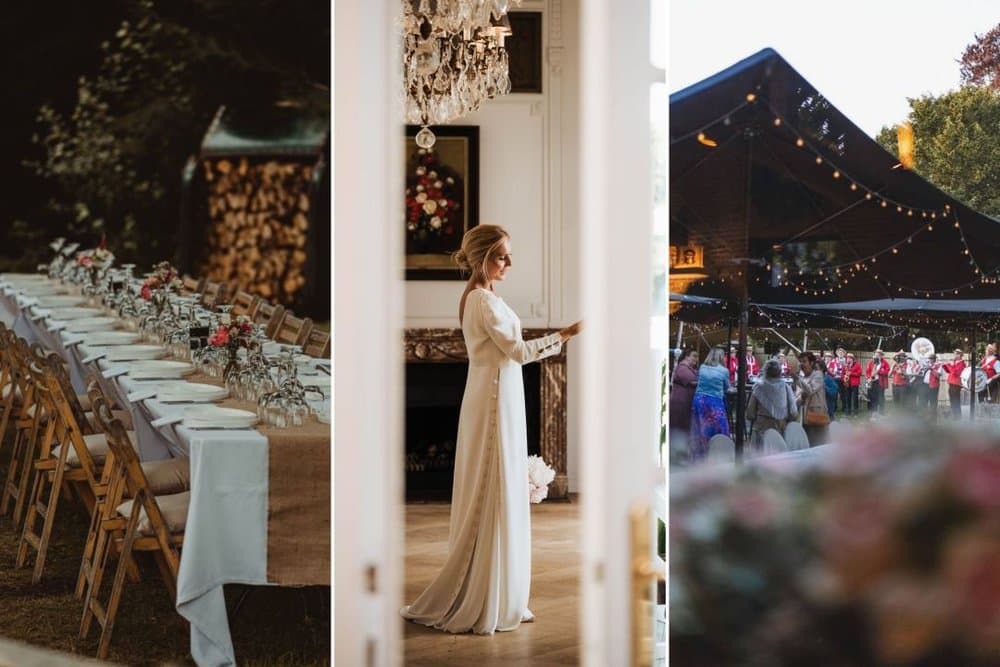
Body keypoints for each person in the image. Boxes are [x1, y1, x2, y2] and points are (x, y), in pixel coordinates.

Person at [401, 224, 582, 634]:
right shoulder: (481, 300)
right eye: (502, 256)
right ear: (482, 257)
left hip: (500, 393)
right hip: (494, 397)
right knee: (492, 485)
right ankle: (485, 595)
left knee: (499, 488)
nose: (509, 263)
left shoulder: (484, 297)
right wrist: (564, 335)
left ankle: (502, 591)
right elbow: (516, 351)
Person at [689, 347, 732, 462]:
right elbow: (727, 387)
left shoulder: (702, 367)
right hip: (714, 402)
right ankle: (719, 454)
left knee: (699, 429)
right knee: (720, 429)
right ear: (721, 357)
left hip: (699, 400)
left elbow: (698, 380)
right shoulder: (724, 371)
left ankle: (699, 457)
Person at [747, 360, 797, 452]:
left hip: (761, 429)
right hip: (780, 430)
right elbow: (793, 413)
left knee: (759, 458)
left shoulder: (758, 387)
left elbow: (750, 413)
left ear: (765, 371)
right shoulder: (786, 387)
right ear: (780, 372)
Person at [794, 352, 828, 445]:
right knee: (808, 445)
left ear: (812, 363)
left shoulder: (818, 375)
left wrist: (796, 379)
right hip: (805, 419)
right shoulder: (803, 378)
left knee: (817, 446)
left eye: (804, 361)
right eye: (800, 361)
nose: (801, 364)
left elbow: (810, 390)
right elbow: (798, 398)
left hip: (816, 417)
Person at [668, 349, 699, 441]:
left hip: (685, 400)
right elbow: (692, 381)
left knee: (682, 425)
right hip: (680, 401)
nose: (696, 359)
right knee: (679, 426)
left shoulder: (689, 368)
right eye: (693, 356)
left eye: (697, 357)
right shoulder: (682, 367)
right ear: (687, 357)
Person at [943, 349, 966, 419]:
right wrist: (946, 365)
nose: (954, 355)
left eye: (956, 354)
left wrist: (951, 365)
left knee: (956, 401)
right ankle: (954, 415)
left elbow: (955, 373)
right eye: (954, 354)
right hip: (951, 383)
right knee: (952, 400)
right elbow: (948, 371)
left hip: (956, 384)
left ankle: (958, 416)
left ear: (959, 355)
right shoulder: (955, 362)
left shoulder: (962, 363)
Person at [865, 349, 890, 415]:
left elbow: (887, 371)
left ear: (881, 356)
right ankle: (873, 411)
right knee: (873, 396)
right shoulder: (871, 362)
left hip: (880, 382)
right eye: (876, 354)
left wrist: (878, 372)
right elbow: (867, 372)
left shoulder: (885, 362)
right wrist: (868, 378)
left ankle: (881, 412)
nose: (877, 356)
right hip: (872, 382)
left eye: (879, 355)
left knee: (881, 397)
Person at [919, 353, 943, 421]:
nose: (930, 360)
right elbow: (921, 373)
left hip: (933, 386)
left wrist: (931, 369)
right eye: (929, 358)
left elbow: (938, 376)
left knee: (933, 403)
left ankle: (933, 418)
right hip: (925, 385)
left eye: (931, 359)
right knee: (924, 401)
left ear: (934, 359)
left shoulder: (938, 366)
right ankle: (925, 417)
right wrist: (923, 368)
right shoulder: (927, 365)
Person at [842, 352, 862, 416]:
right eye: (847, 358)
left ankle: (856, 412)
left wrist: (851, 374)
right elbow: (842, 374)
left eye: (850, 358)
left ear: (853, 359)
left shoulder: (857, 365)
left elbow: (859, 373)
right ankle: (848, 412)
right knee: (848, 398)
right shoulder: (845, 366)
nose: (848, 359)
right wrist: (844, 378)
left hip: (855, 384)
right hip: (847, 383)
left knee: (855, 398)